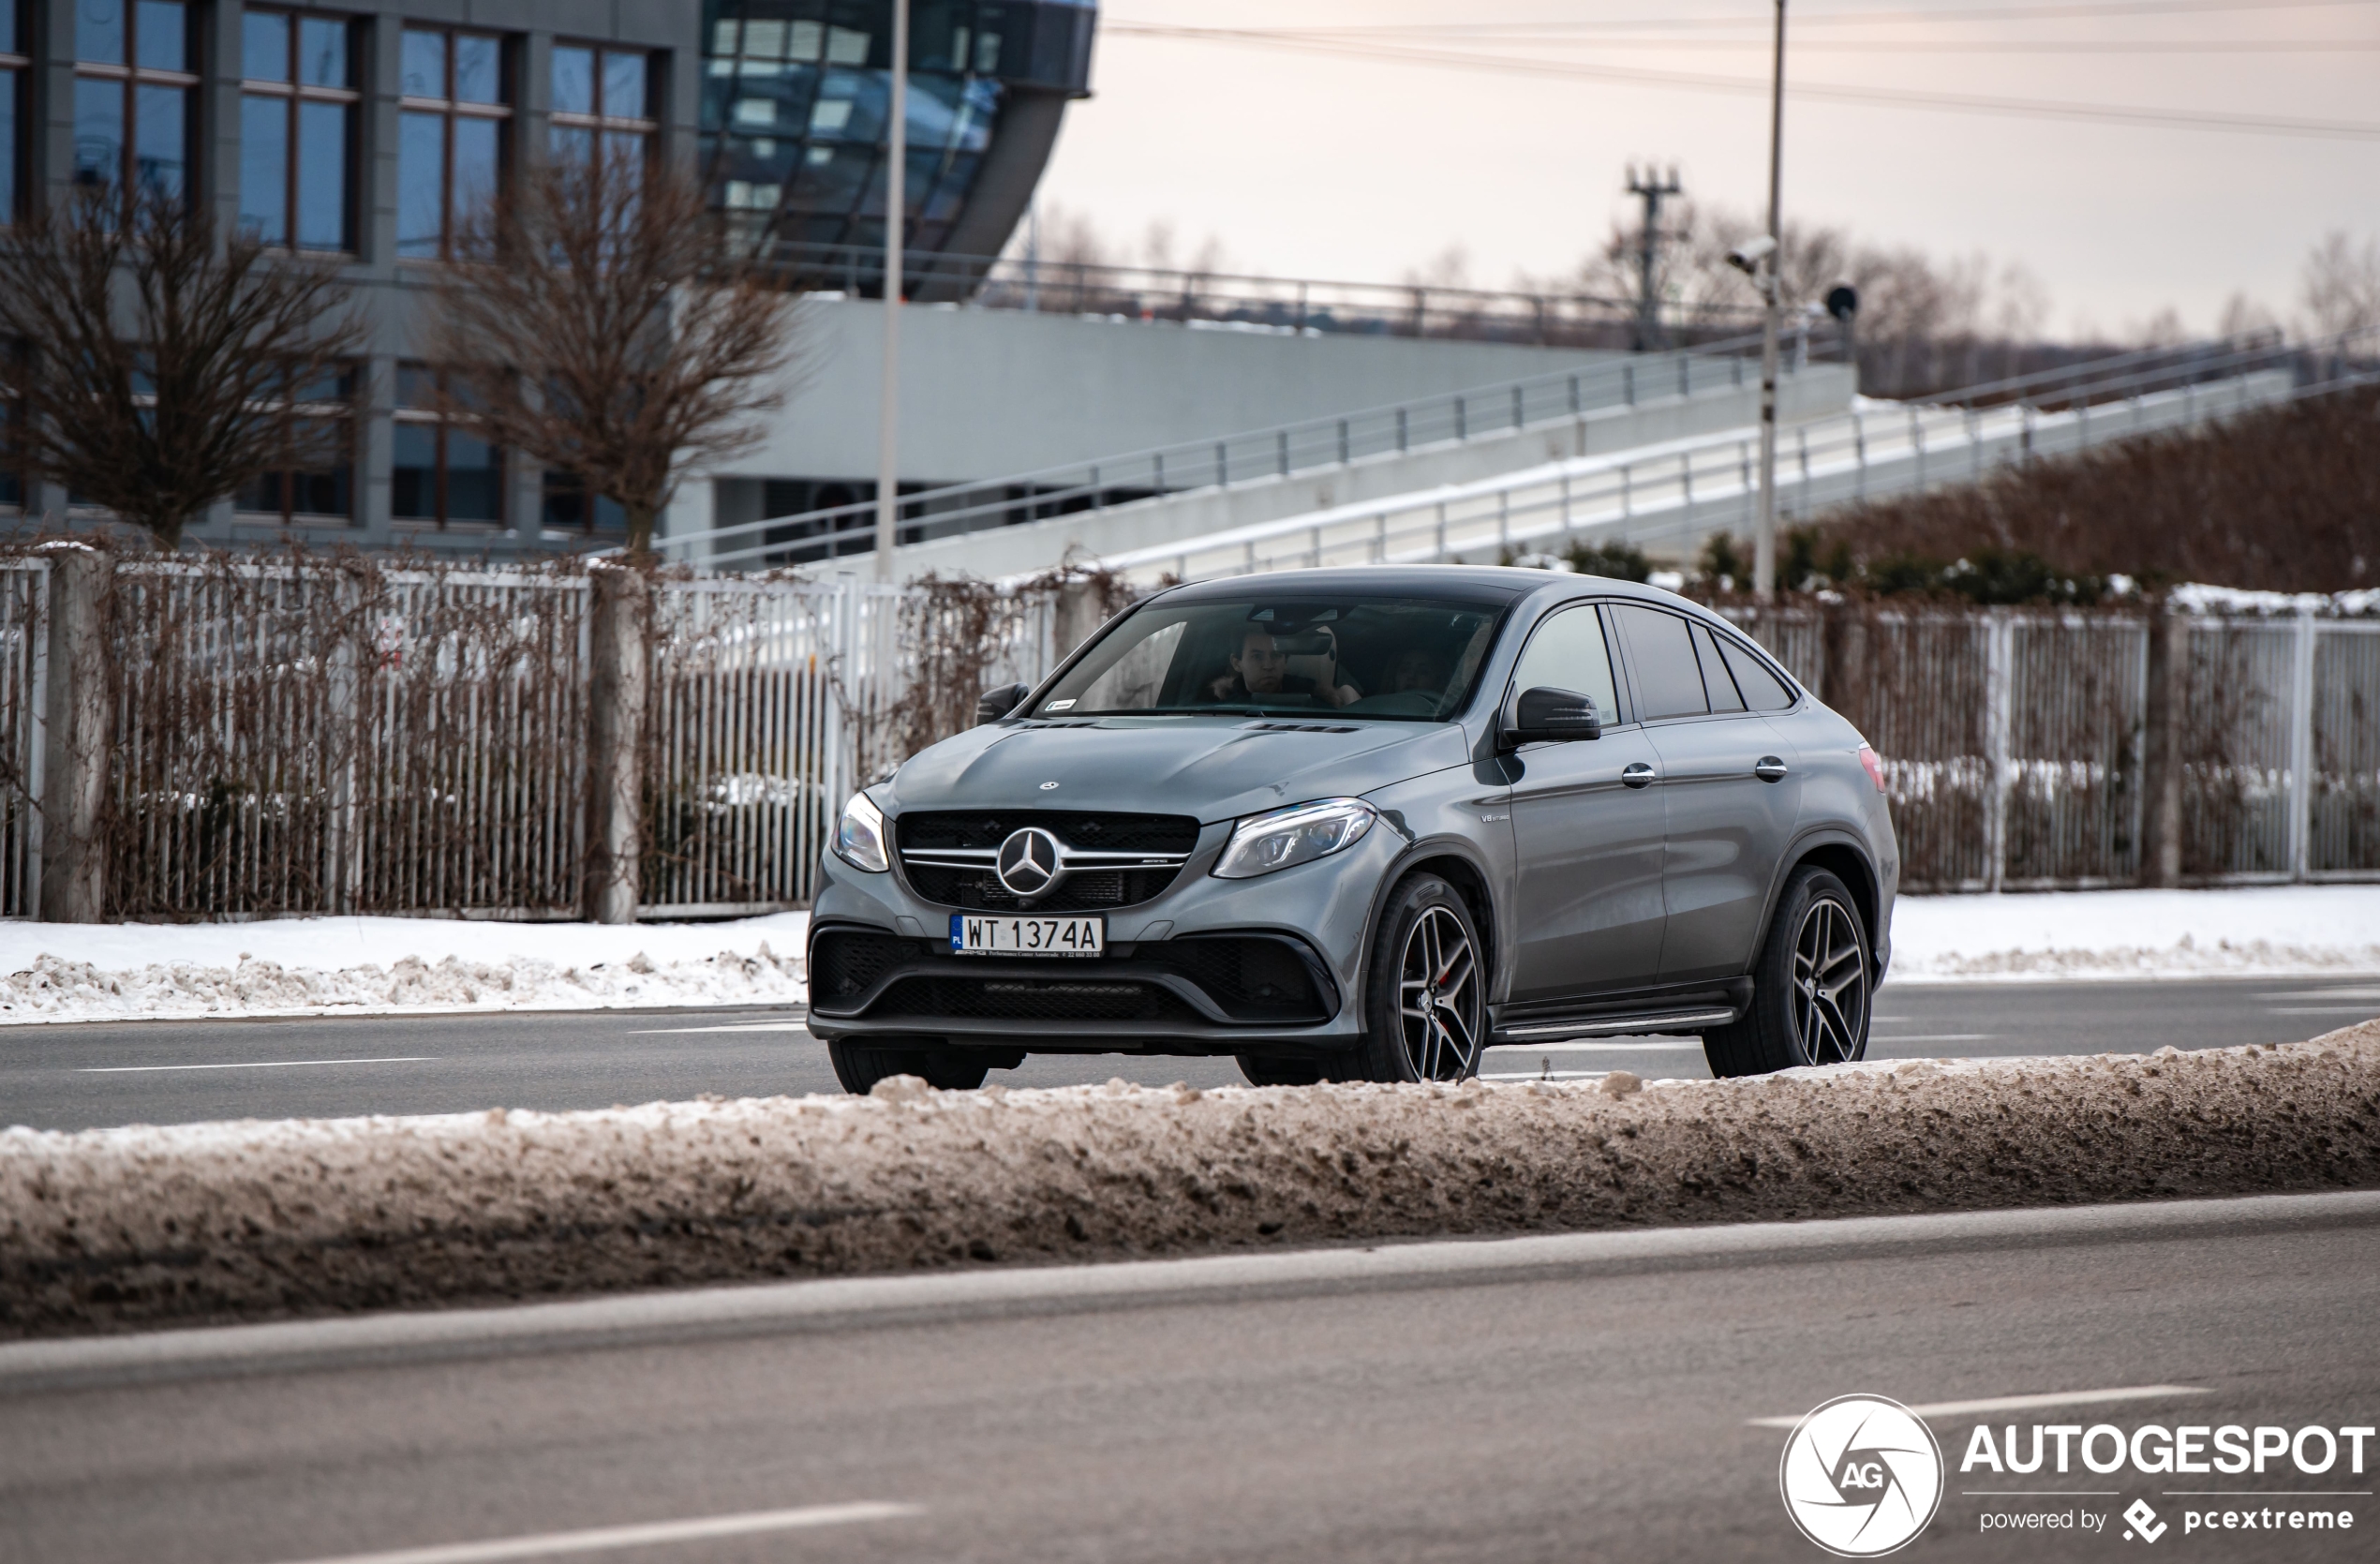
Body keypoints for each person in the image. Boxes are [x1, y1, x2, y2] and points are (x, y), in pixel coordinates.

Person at [1206, 624, 1361, 708]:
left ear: (1285, 660)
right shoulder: (1215, 710)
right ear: (1236, 663)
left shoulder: (1319, 705)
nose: (1268, 665)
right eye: (1257, 657)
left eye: (1276, 655)